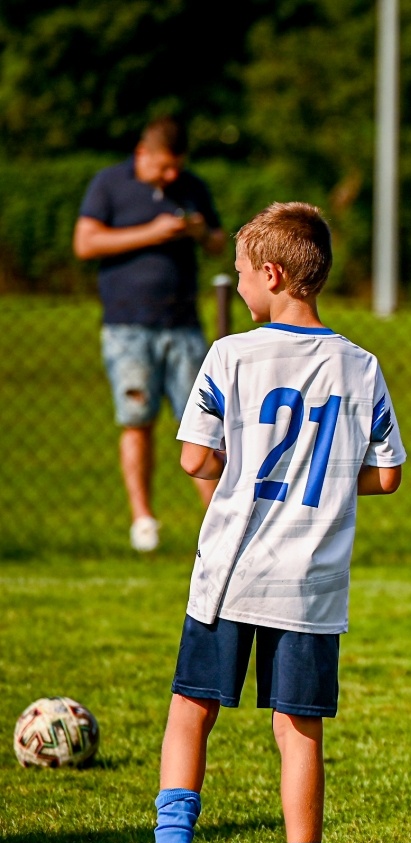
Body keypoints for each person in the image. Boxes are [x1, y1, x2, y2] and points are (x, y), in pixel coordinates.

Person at [101, 202, 406, 843]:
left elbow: (194, 458)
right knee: (298, 729)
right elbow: (388, 474)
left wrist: (246, 471)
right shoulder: (361, 365)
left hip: (232, 568)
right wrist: (326, 481)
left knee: (192, 708)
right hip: (311, 581)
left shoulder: (231, 355)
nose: (237, 284)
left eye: (239, 271)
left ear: (271, 274)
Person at [74, 116, 228, 553]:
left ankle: (220, 523)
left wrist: (199, 231)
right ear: (143, 154)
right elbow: (85, 243)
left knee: (204, 425)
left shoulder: (192, 186)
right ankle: (142, 521)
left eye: (177, 167)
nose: (171, 176)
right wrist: (152, 233)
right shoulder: (109, 183)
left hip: (183, 324)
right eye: (164, 167)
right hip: (128, 325)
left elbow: (219, 242)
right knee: (137, 420)